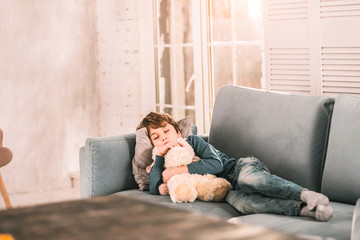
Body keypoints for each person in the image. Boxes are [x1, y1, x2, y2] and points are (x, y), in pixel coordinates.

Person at [137, 112, 334, 222]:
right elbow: (155, 189)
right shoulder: (161, 161)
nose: (163, 137)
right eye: (156, 137)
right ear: (153, 143)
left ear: (177, 131)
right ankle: (303, 210)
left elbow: (216, 164)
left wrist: (177, 171)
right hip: (227, 189)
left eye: (166, 131)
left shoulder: (193, 142)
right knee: (244, 204)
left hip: (238, 168)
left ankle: (305, 194)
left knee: (250, 180)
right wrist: (161, 158)